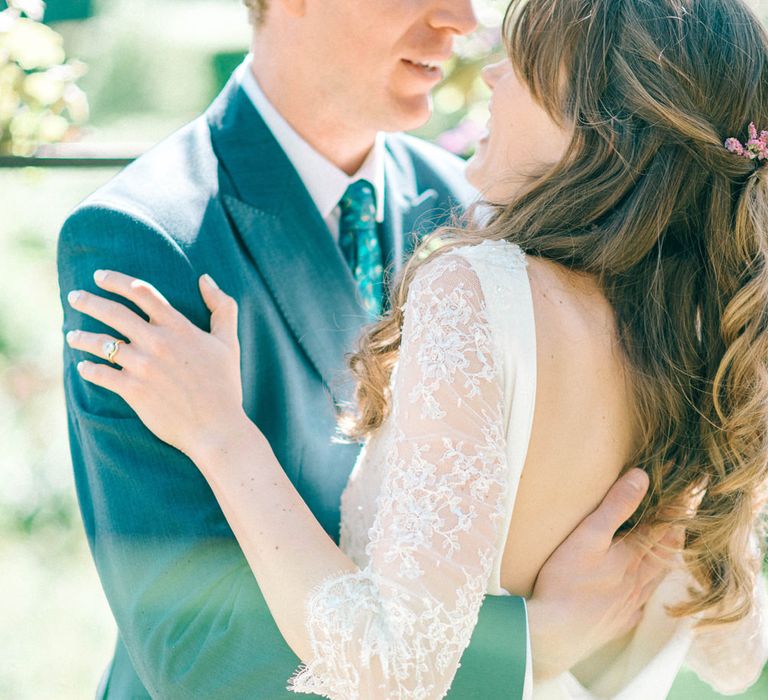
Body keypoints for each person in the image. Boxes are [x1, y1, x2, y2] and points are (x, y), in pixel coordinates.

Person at [57, 0, 679, 698]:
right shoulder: (142, 238)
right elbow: (200, 652)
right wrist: (535, 645)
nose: (462, 18)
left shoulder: (475, 203)